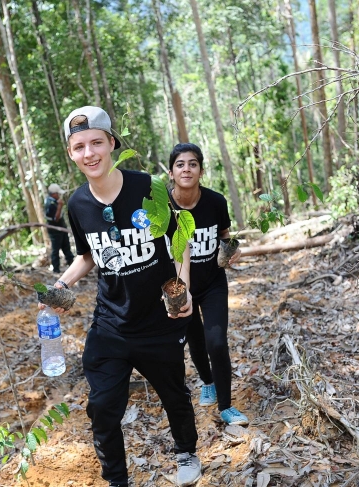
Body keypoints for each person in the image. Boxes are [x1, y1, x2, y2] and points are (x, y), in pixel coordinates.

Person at [41, 106, 202, 487]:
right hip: (111, 324)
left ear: (112, 143)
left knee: (174, 394)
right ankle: (117, 480)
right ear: (71, 153)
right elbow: (86, 256)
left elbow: (179, 240)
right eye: (79, 146)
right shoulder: (79, 204)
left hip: (159, 321)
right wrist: (60, 287)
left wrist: (184, 288)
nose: (89, 153)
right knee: (101, 408)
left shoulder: (149, 187)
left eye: (96, 142)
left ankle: (186, 453)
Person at [168, 142, 249, 426]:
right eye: (180, 164)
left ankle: (226, 406)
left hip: (213, 282)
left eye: (192, 164)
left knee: (216, 342)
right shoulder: (164, 206)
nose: (186, 169)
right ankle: (207, 382)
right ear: (171, 171)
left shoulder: (215, 202)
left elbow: (225, 235)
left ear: (201, 170)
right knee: (195, 340)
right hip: (180, 286)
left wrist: (232, 249)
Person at [45, 183, 75, 273]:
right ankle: (56, 269)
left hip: (61, 228)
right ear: (54, 194)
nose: (59, 195)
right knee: (56, 249)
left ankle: (71, 264)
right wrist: (59, 207)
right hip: (55, 230)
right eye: (58, 194)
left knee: (66, 246)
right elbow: (55, 219)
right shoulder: (50, 203)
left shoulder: (53, 201)